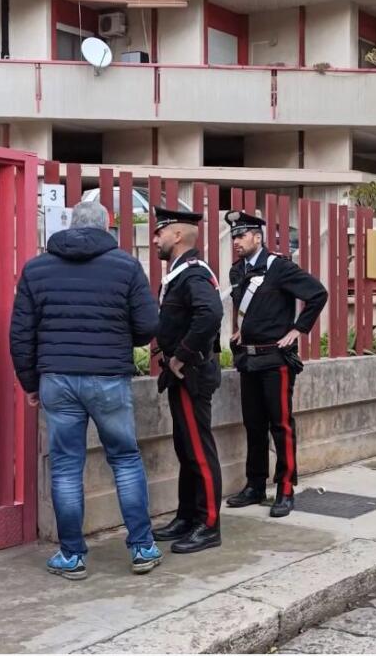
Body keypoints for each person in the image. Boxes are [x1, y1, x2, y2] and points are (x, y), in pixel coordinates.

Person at [9, 200, 162, 581]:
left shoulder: (36, 268)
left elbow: (21, 335)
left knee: (64, 466)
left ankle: (71, 555)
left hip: (56, 379)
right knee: (125, 459)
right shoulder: (125, 265)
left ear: (70, 225)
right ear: (106, 226)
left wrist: (30, 383)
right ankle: (142, 547)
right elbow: (147, 325)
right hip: (109, 376)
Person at [224, 211, 327, 517]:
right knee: (253, 425)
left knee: (280, 426)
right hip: (248, 359)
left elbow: (318, 294)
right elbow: (249, 309)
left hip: (275, 360)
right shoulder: (236, 271)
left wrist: (298, 329)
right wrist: (242, 329)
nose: (236, 241)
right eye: (233, 237)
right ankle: (255, 485)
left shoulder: (279, 267)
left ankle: (285, 488)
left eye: (242, 236)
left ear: (257, 237)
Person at [150, 206, 226, 553]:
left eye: (159, 232)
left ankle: (209, 524)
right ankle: (187, 517)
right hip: (182, 374)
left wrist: (180, 354)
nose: (155, 239)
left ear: (177, 235)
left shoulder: (192, 273)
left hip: (190, 373)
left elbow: (210, 313)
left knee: (198, 450)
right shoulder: (180, 273)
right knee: (186, 449)